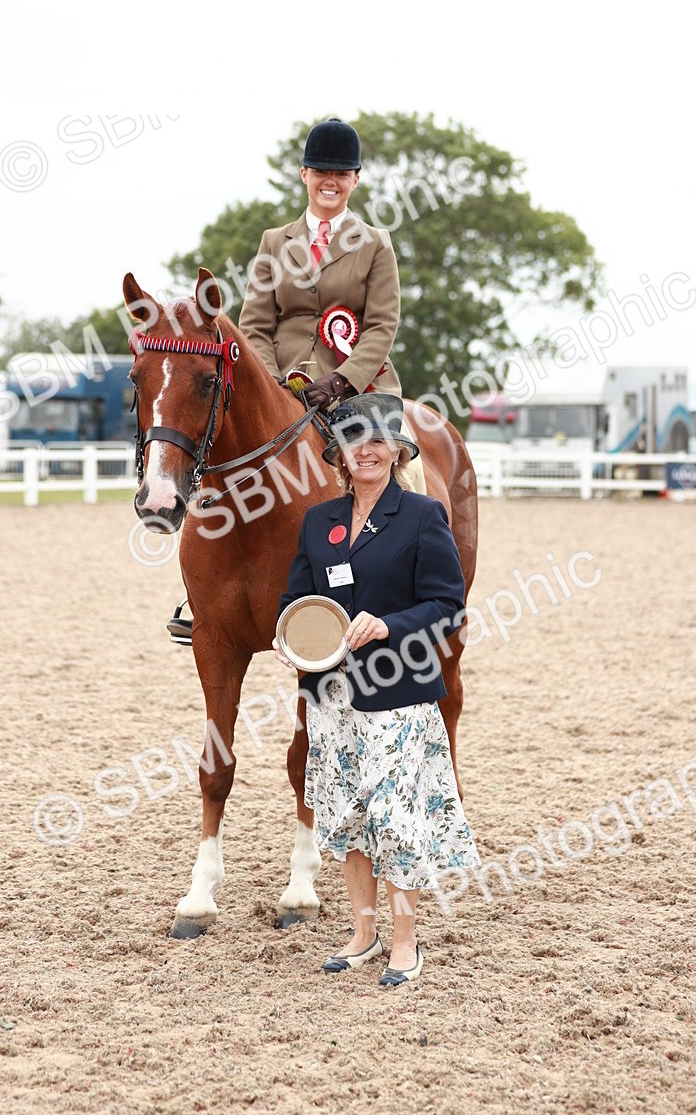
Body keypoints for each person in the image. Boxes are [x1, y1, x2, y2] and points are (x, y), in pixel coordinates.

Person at [272, 393, 480, 987]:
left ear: (395, 452)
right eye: (354, 439)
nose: (366, 449)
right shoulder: (319, 521)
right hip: (332, 698)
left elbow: (447, 604)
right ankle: (363, 933)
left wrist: (389, 625)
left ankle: (406, 941)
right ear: (339, 452)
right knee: (347, 816)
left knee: (395, 819)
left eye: (378, 441)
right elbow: (296, 599)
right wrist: (289, 637)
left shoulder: (420, 516)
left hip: (397, 694)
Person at [239, 118, 402, 410]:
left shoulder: (376, 243)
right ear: (304, 174)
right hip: (282, 381)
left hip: (358, 385)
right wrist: (272, 383)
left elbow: (382, 325)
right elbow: (254, 326)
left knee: (381, 452)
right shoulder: (274, 242)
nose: (330, 181)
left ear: (355, 179)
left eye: (341, 173)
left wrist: (341, 380)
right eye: (320, 171)